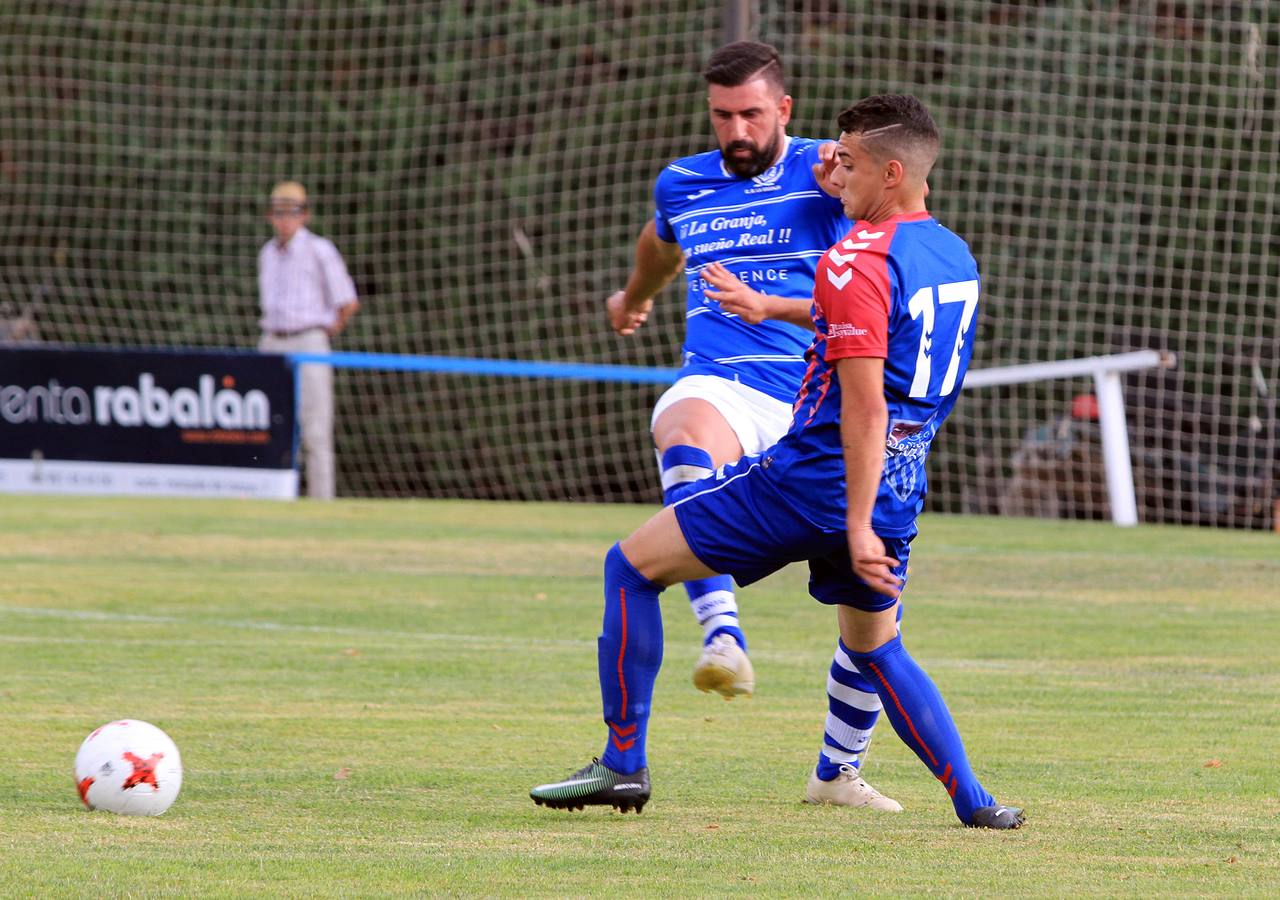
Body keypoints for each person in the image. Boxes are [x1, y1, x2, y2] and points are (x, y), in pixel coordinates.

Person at [531, 94, 1024, 829]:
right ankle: (977, 803)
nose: (833, 172)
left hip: (815, 482)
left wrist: (852, 525)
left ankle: (623, 764)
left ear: (890, 174)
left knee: (630, 567)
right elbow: (866, 323)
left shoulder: (853, 259)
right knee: (880, 649)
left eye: (848, 163)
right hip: (899, 485)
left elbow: (863, 405)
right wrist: (769, 306)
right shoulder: (951, 254)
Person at [606, 40, 899, 810]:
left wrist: (844, 187)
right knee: (684, 427)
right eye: (723, 115)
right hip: (722, 383)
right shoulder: (684, 183)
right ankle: (722, 631)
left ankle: (836, 774)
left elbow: (895, 242)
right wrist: (634, 295)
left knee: (871, 606)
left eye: (752, 114)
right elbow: (660, 243)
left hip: (815, 401)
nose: (737, 130)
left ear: (785, 110)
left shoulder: (829, 169)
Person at [257, 181, 359, 500]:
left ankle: (320, 504)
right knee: (268, 426)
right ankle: (270, 497)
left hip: (309, 342)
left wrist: (325, 330)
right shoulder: (267, 254)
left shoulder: (319, 249)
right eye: (279, 212)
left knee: (315, 429)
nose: (285, 219)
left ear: (305, 215)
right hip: (272, 343)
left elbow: (347, 301)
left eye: (293, 212)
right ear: (270, 216)